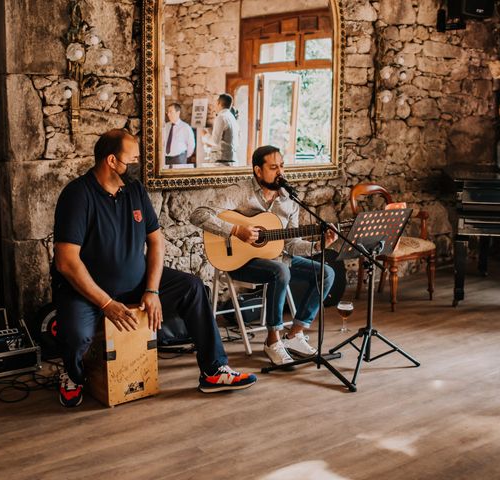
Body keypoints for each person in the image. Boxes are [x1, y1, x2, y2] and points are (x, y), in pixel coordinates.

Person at [52, 128, 256, 407]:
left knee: (193, 288)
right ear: (111, 161)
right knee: (77, 336)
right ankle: (73, 376)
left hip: (136, 283)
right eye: (132, 159)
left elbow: (156, 243)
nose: (138, 165)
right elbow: (66, 261)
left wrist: (152, 289)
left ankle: (213, 370)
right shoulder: (77, 195)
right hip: (87, 292)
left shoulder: (135, 191)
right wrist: (106, 303)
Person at [190, 145, 337, 366]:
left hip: (279, 260)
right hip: (241, 261)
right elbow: (198, 214)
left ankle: (295, 335)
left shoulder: (289, 200)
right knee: (281, 271)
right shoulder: (240, 191)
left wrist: (320, 245)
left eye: (282, 166)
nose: (281, 172)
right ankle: (272, 340)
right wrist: (237, 231)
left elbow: (292, 244)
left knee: (327, 272)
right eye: (273, 167)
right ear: (258, 171)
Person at [204, 93, 239, 164]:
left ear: (218, 103)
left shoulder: (221, 117)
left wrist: (205, 135)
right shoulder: (232, 118)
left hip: (221, 160)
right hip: (231, 158)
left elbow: (215, 141)